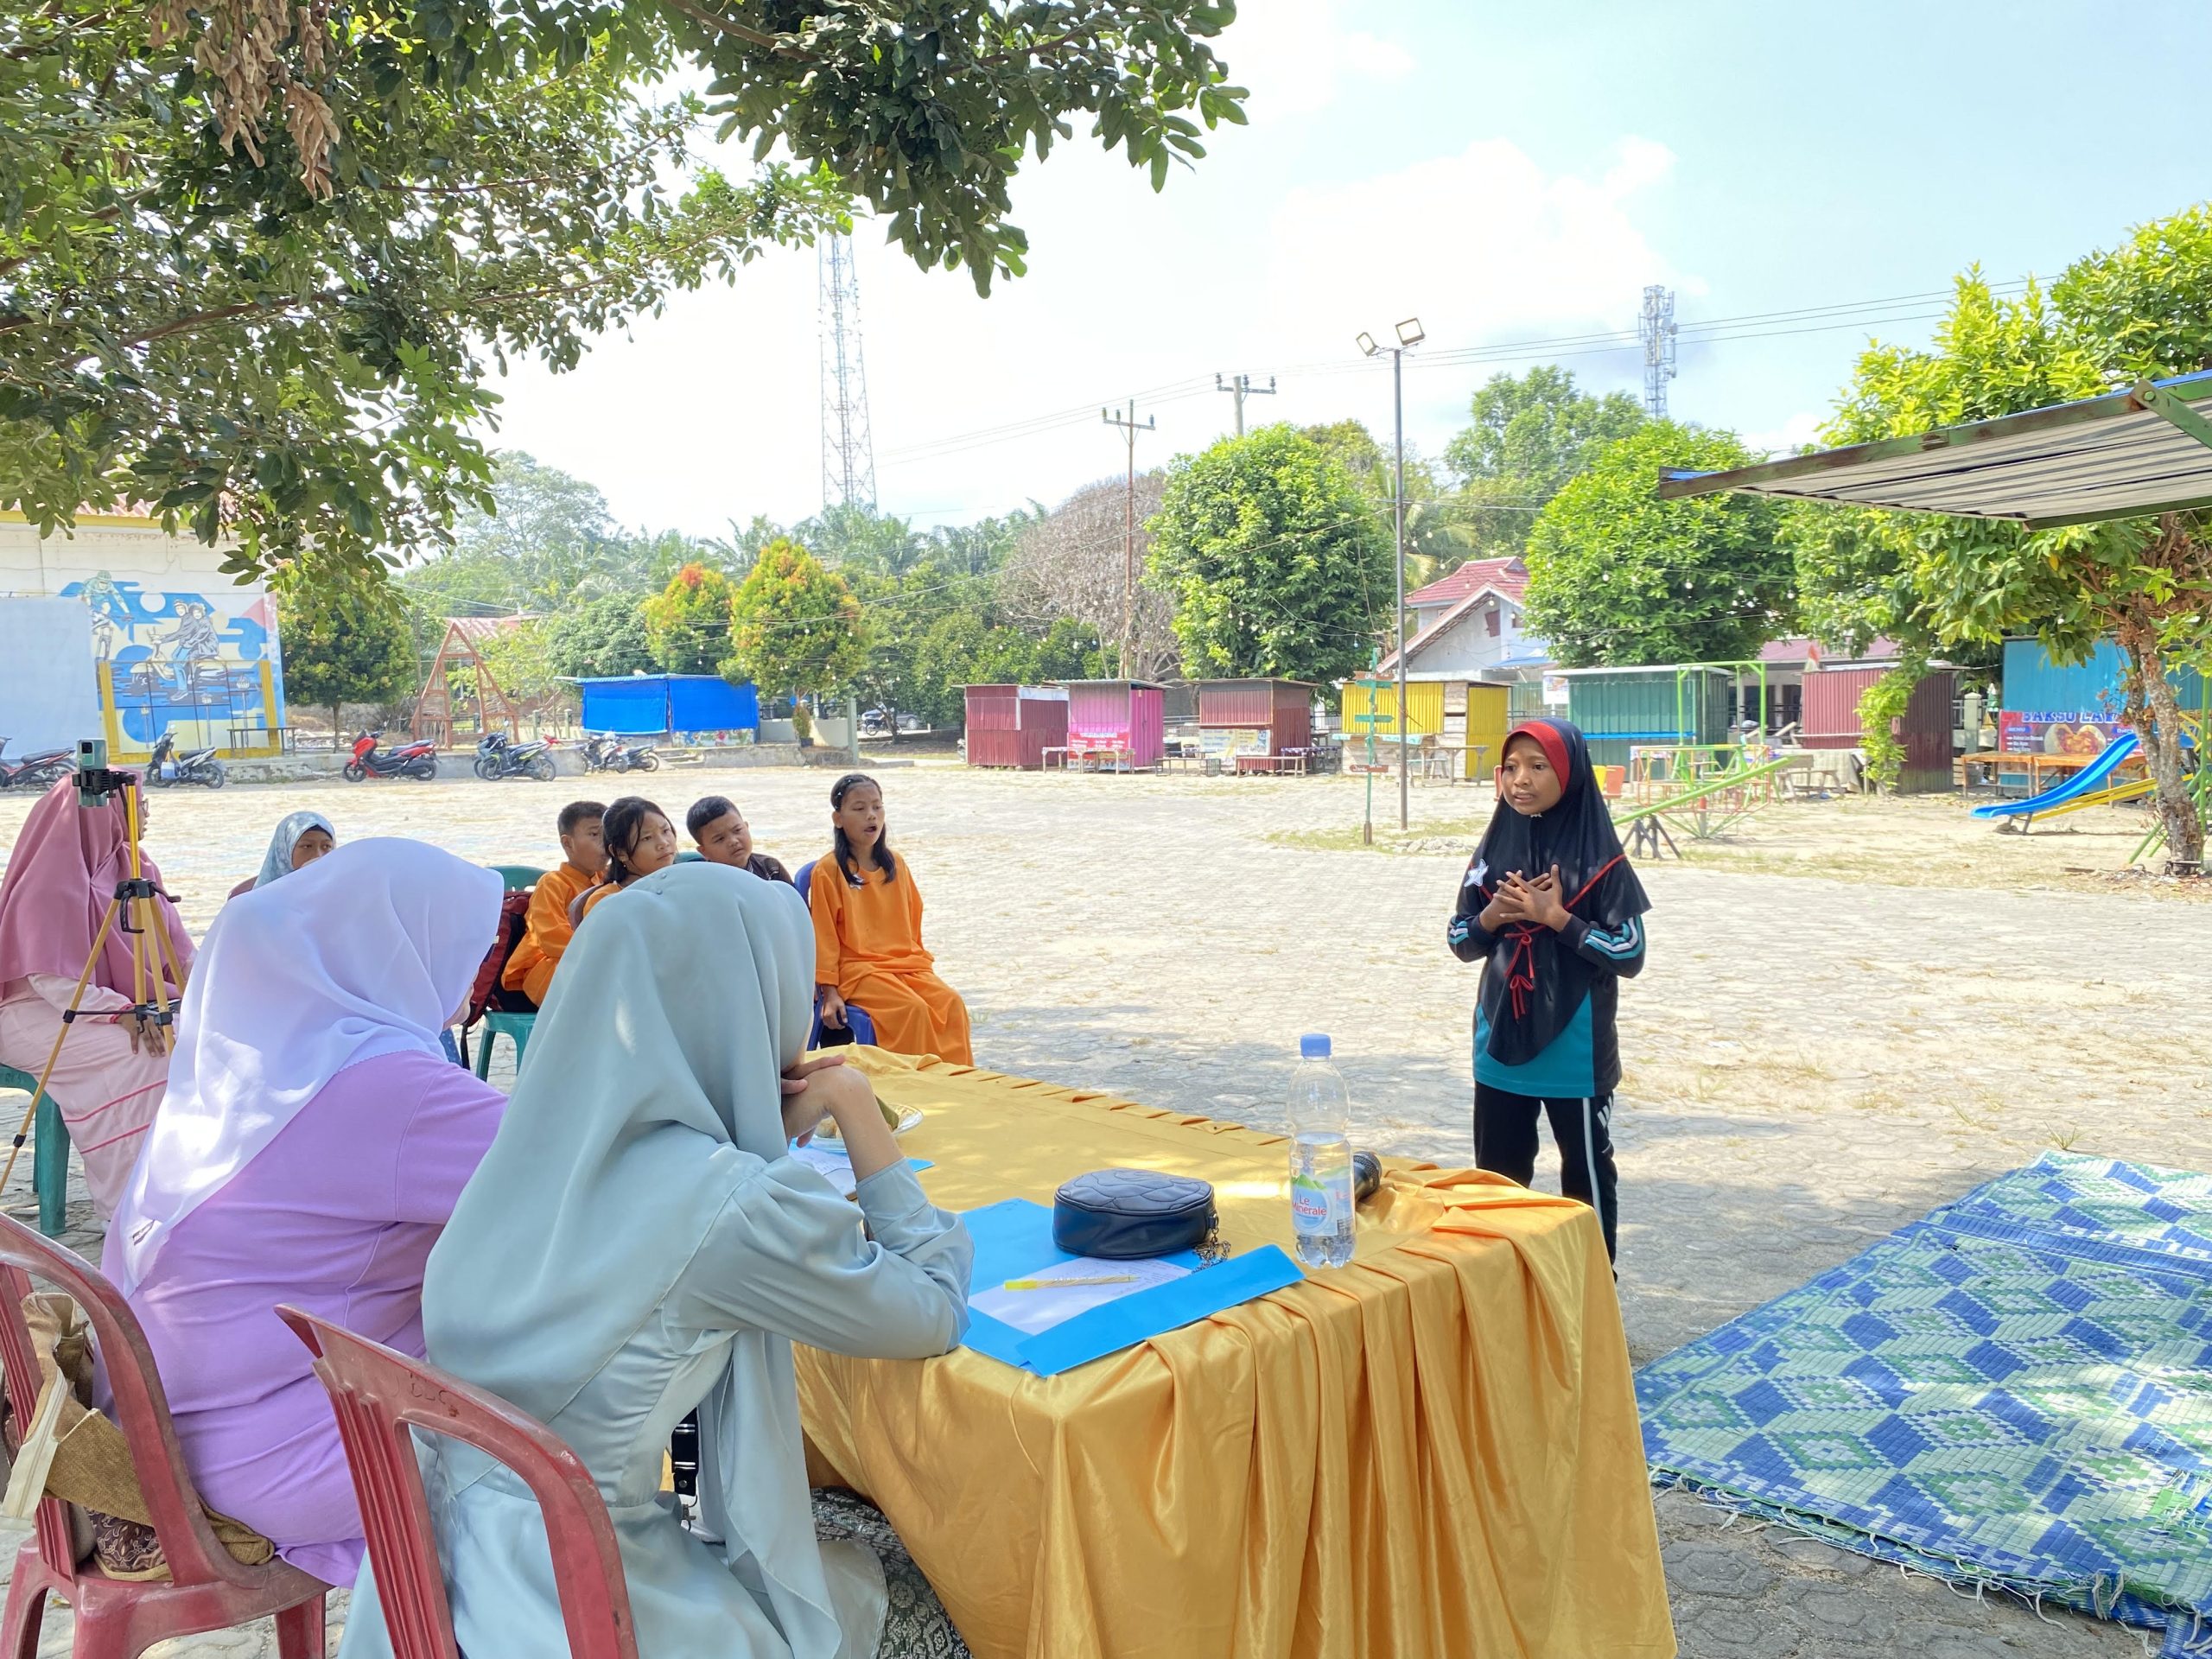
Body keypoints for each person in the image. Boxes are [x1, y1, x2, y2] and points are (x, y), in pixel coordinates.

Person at [337, 861, 973, 1659]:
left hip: (427, 1566)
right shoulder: (723, 1203)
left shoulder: (531, 1147)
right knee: (936, 1594)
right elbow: (933, 1310)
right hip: (580, 1598)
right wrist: (852, 1103)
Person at [106, 839, 505, 1586]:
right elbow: (578, 1177)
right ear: (401, 948)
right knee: (574, 1404)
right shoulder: (390, 1086)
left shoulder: (251, 1066)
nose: (476, 973)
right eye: (467, 945)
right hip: (275, 1457)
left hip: (163, 1429)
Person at [1447, 718, 1649, 1262]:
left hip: (1574, 1055)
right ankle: (1500, 1295)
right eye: (1511, 767)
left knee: (1584, 1183)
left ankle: (1594, 1298)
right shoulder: (1491, 854)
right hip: (1498, 1048)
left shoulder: (1599, 861)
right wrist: (1491, 915)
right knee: (1496, 1184)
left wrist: (1557, 918)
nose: (1521, 780)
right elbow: (1460, 939)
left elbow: (1629, 953)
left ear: (1570, 772)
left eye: (1539, 766)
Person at [0, 775, 194, 1217]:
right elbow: (51, 978)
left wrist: (211, 991)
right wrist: (119, 1012)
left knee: (194, 1036)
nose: (145, 813)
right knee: (149, 1054)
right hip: (36, 1011)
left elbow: (179, 954)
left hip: (120, 1003)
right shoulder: (47, 883)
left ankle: (188, 1182)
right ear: (103, 812)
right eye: (137, 804)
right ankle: (127, 1205)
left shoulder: (137, 868)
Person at [807, 773, 974, 1065]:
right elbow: (823, 936)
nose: (871, 816)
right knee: (913, 1010)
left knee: (951, 1004)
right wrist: (829, 991)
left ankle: (957, 1083)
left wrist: (916, 964)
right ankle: (917, 1088)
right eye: (859, 809)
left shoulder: (895, 863)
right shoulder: (828, 870)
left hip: (903, 963)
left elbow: (913, 921)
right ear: (838, 818)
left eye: (877, 807)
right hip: (858, 970)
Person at [500, 800, 607, 1007]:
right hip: (544, 973)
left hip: (588, 962)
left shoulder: (606, 879)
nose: (604, 842)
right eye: (594, 834)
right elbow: (551, 938)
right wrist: (600, 954)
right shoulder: (553, 883)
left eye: (607, 834)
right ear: (568, 843)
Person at [569, 796, 677, 926]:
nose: (663, 843)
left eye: (665, 831)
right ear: (620, 853)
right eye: (647, 838)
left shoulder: (685, 882)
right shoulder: (605, 901)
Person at [227, 810, 335, 899]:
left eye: (326, 846)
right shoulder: (257, 901)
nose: (318, 855)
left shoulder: (341, 893)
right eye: (307, 846)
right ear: (284, 850)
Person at [687, 794, 791, 884]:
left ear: (746, 826)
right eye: (720, 839)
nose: (733, 841)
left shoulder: (770, 868)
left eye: (737, 830)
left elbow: (794, 904)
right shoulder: (701, 881)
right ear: (704, 851)